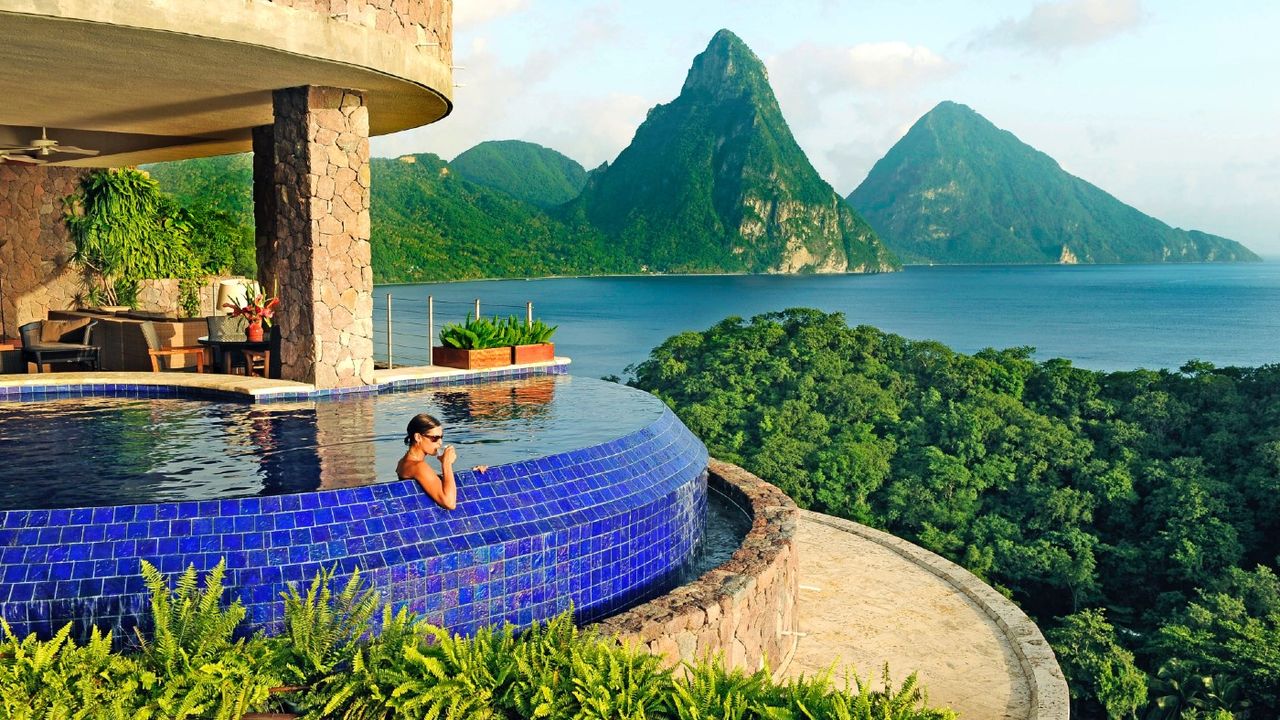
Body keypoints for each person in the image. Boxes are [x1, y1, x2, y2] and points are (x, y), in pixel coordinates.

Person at [397, 413, 486, 510]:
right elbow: (449, 503)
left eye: (441, 437)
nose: (440, 442)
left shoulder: (404, 462)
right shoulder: (418, 466)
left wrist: (471, 475)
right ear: (418, 437)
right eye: (435, 438)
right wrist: (446, 463)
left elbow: (433, 483)